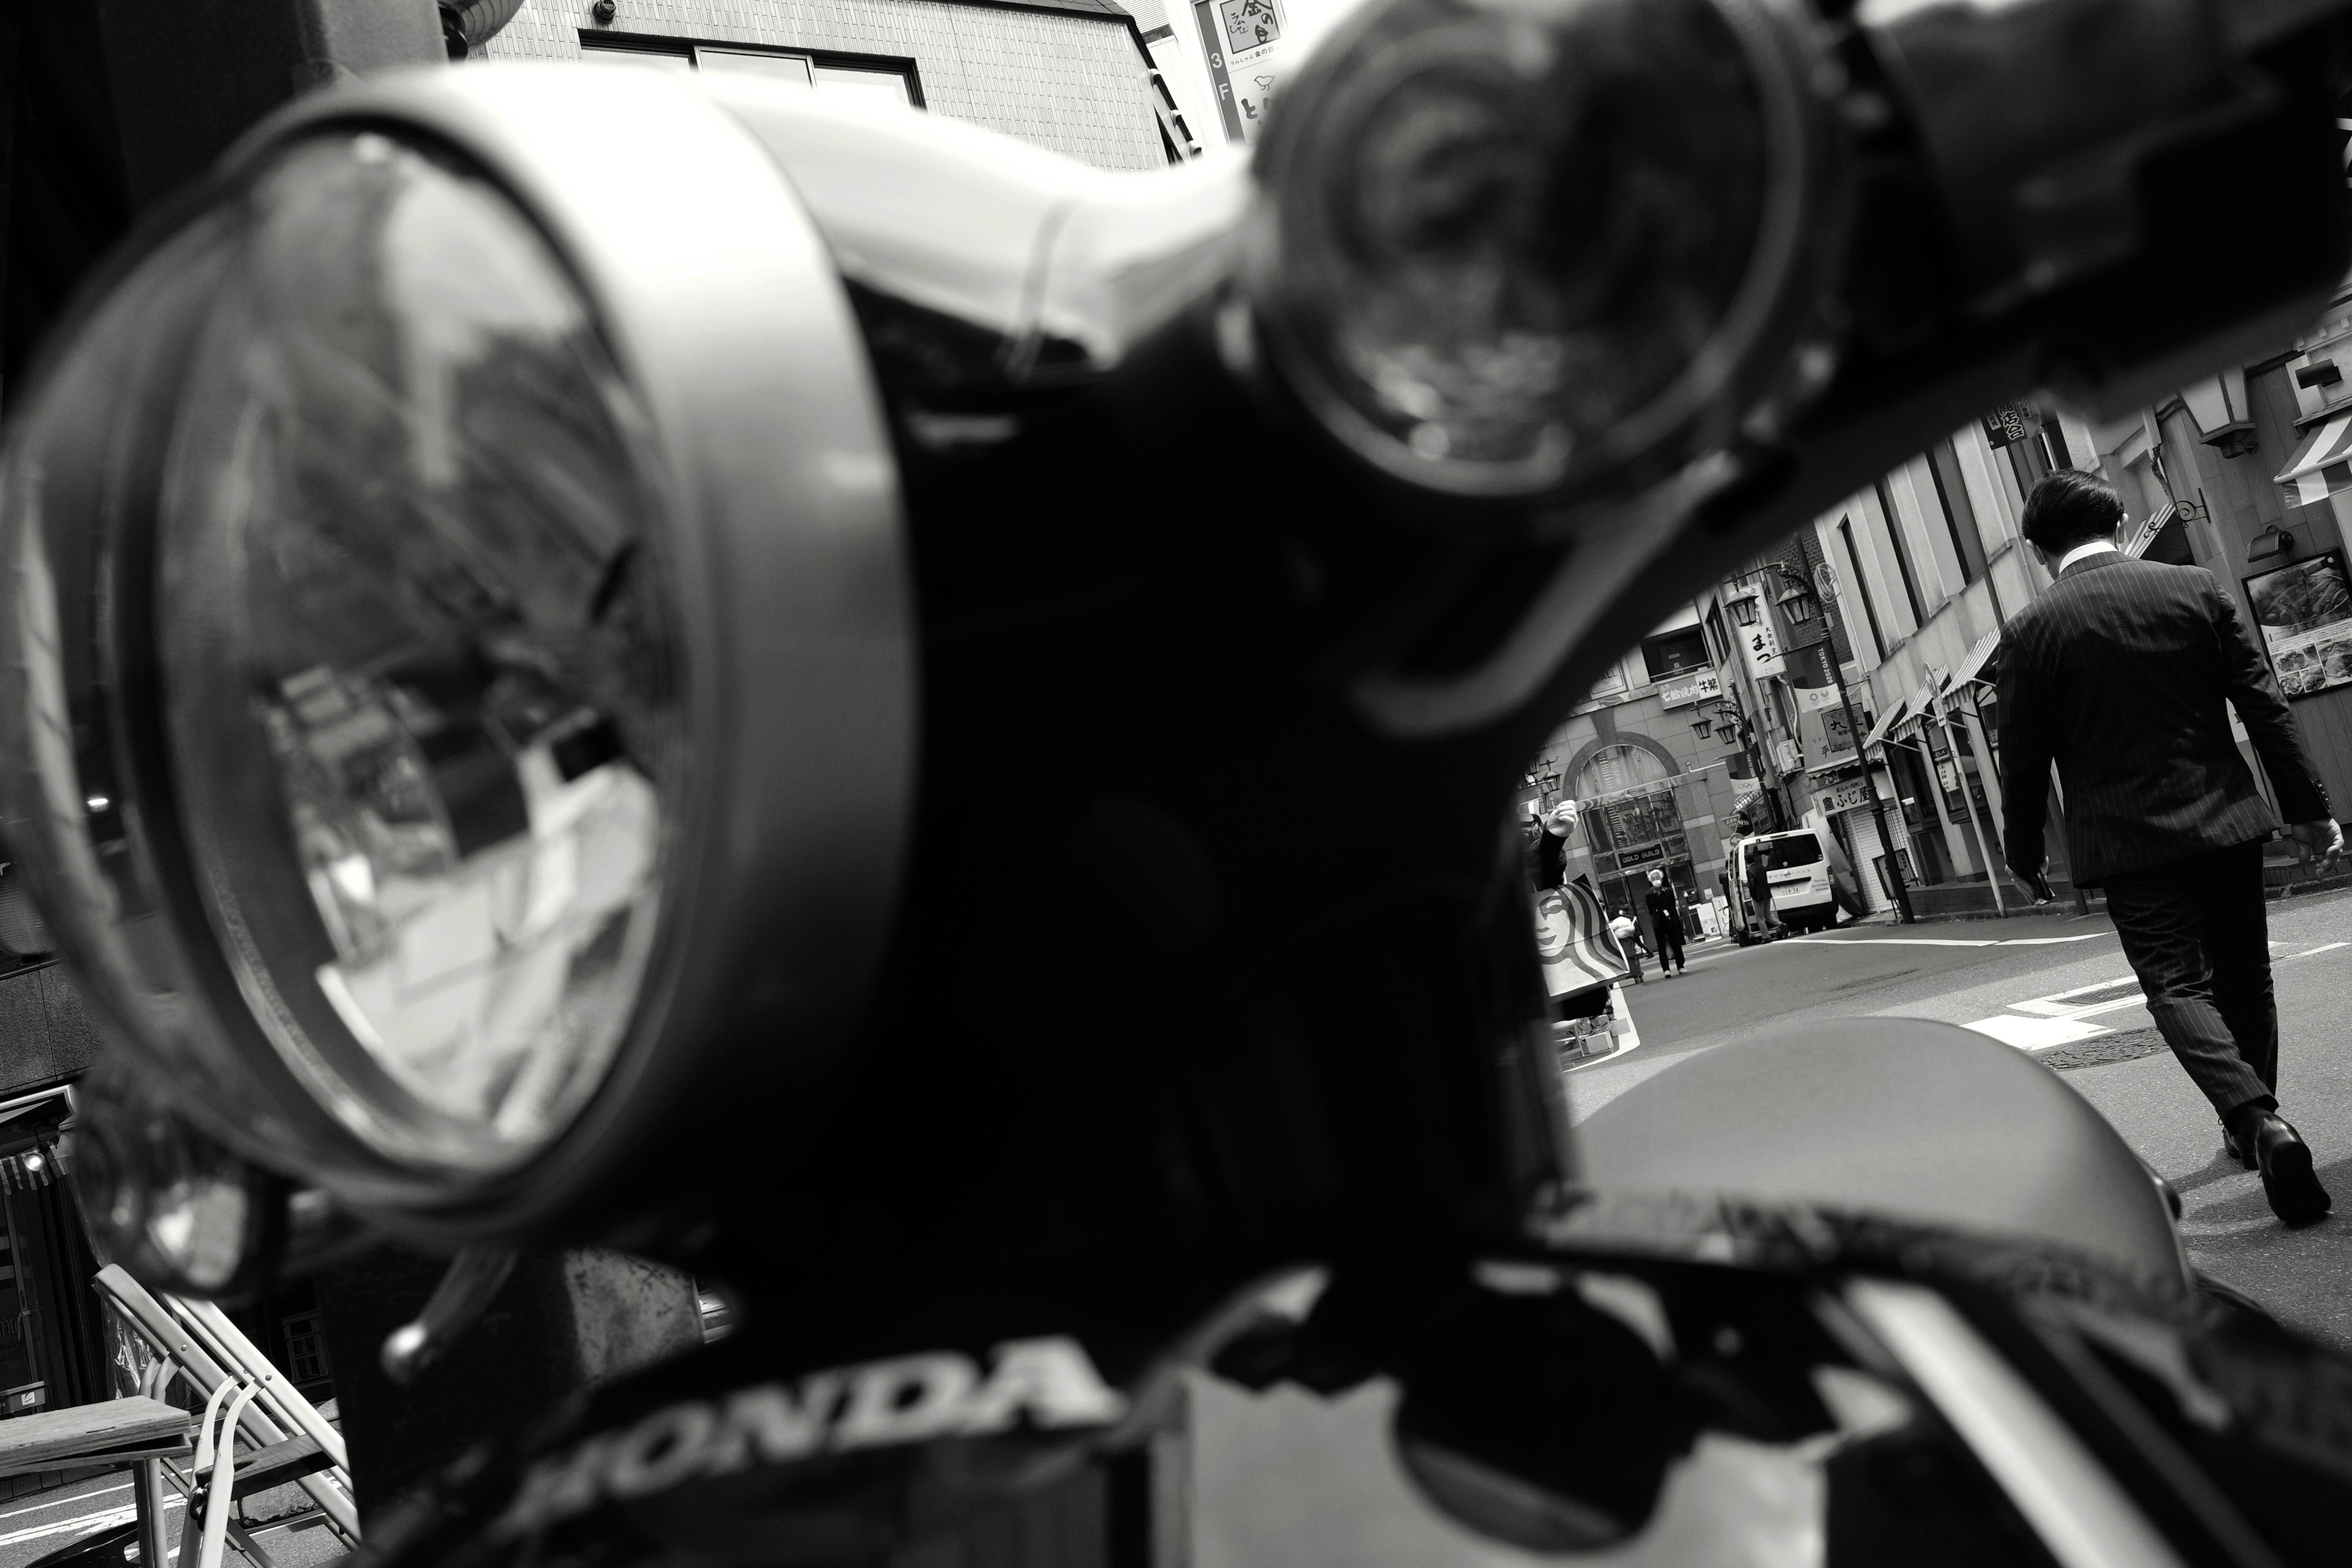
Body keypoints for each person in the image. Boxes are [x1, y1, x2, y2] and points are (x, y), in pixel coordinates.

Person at [1997, 469, 2343, 1226]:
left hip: (2124, 842)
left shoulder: (2029, 632)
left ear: (2035, 550)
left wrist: (2023, 858)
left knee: (2176, 987)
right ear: (2120, 520)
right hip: (2223, 819)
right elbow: (2265, 706)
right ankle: (2251, 1120)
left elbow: (2022, 762)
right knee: (2247, 976)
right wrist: (2310, 811)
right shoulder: (2193, 588)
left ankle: (2258, 1122)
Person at [1643, 868, 1689, 976]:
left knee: (1676, 943)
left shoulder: (1669, 891)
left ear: (1662, 879)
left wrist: (1671, 916)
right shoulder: (1649, 895)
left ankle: (1681, 966)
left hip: (1671, 921)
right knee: (1661, 946)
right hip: (1658, 923)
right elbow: (1650, 910)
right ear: (1650, 881)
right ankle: (1666, 970)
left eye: (1657, 878)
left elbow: (1673, 905)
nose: (1656, 880)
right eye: (1653, 879)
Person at [1607, 906, 1645, 983]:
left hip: (1621, 941)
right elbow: (1631, 929)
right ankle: (1636, 973)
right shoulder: (1626, 920)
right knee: (1632, 957)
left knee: (1626, 957)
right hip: (1629, 939)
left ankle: (1628, 973)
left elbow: (1612, 929)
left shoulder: (1619, 921)